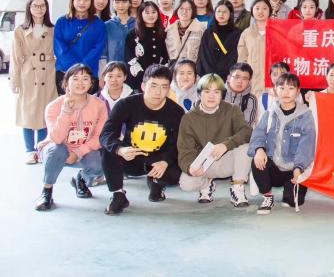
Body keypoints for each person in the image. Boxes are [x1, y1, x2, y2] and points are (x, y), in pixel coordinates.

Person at [100, 64, 184, 214]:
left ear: (169, 89)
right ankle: (118, 195)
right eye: (153, 86)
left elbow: (178, 143)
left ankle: (157, 183)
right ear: (143, 86)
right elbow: (106, 133)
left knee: (178, 170)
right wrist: (120, 149)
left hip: (158, 159)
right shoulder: (126, 104)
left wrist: (166, 160)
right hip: (132, 156)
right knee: (108, 150)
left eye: (164, 87)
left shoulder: (176, 111)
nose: (158, 92)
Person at [33, 64, 108, 211]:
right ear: (66, 82)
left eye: (85, 78)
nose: (80, 83)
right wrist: (66, 112)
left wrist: (78, 152)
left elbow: (99, 137)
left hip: (84, 150)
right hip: (57, 150)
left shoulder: (99, 105)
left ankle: (81, 179)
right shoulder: (54, 106)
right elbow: (56, 138)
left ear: (91, 83)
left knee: (101, 162)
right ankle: (47, 190)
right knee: (57, 150)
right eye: (75, 79)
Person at [177, 73, 253, 207]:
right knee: (186, 184)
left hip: (227, 159)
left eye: (216, 92)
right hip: (204, 164)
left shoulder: (232, 110)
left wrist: (226, 145)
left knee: (245, 148)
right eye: (207, 92)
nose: (211, 96)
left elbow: (246, 131)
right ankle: (207, 184)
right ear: (199, 94)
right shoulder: (189, 118)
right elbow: (185, 150)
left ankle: (237, 187)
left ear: (222, 94)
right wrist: (190, 167)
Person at [249, 72, 317, 214]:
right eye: (282, 88)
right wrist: (259, 149)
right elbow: (258, 133)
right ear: (275, 90)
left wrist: (299, 167)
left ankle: (290, 192)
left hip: (293, 168)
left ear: (298, 91)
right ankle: (267, 196)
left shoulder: (306, 115)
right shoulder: (270, 112)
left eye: (291, 88)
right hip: (273, 165)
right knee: (257, 159)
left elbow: (306, 145)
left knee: (292, 202)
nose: (286, 92)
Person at [11, 0, 58, 164]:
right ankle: (29, 150)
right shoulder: (20, 30)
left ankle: (42, 148)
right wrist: (14, 80)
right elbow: (16, 57)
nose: (39, 9)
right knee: (28, 112)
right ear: (29, 8)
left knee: (46, 111)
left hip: (48, 72)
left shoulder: (52, 28)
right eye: (35, 6)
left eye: (42, 6)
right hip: (28, 73)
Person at [55, 0, 107, 89]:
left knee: (89, 99)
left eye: (86, 0)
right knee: (66, 99)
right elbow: (59, 47)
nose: (82, 3)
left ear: (91, 2)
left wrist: (83, 67)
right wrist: (74, 68)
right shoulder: (62, 22)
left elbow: (98, 48)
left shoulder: (98, 24)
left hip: (89, 72)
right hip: (65, 72)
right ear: (72, 0)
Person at [124, 1, 169, 91]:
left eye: (153, 12)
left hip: (159, 77)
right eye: (147, 12)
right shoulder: (132, 34)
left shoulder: (163, 32)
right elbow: (129, 57)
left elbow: (166, 55)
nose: (151, 15)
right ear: (141, 14)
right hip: (138, 79)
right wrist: (144, 77)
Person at [196, 0, 241, 80]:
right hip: (209, 76)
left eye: (225, 12)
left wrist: (227, 73)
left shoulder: (237, 33)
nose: (221, 14)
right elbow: (203, 55)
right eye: (218, 11)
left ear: (230, 14)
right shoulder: (208, 32)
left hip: (229, 76)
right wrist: (211, 73)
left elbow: (235, 55)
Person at [238, 0, 270, 97]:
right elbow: (241, 59)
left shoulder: (276, 32)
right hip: (252, 81)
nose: (260, 11)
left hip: (272, 82)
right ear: (252, 11)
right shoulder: (246, 33)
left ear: (270, 11)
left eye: (264, 8)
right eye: (257, 8)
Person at [165, 0, 205, 66]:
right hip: (175, 69)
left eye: (188, 9)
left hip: (194, 68)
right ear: (177, 10)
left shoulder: (201, 29)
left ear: (193, 11)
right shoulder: (169, 30)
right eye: (181, 8)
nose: (184, 12)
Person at [103, 0, 134, 71]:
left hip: (134, 69)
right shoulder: (107, 25)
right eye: (117, 2)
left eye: (124, 2)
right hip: (113, 69)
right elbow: (103, 51)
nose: (121, 5)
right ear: (112, 4)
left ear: (130, 3)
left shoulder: (137, 24)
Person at [225, 62, 260, 127]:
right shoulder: (219, 93)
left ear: (249, 82)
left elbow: (246, 126)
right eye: (237, 77)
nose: (240, 81)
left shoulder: (251, 99)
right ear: (229, 78)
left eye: (244, 79)